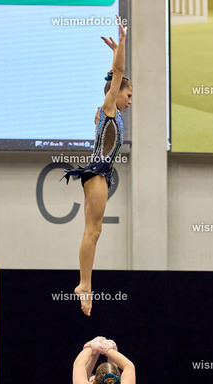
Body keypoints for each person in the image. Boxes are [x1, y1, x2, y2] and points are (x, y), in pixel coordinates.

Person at [62, 16, 132, 316]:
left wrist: (116, 54)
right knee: (92, 231)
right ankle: (84, 285)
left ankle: (85, 284)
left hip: (101, 174)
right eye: (128, 94)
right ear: (116, 93)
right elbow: (119, 73)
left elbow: (116, 74)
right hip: (97, 173)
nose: (131, 100)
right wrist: (122, 43)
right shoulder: (108, 107)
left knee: (95, 230)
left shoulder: (112, 113)